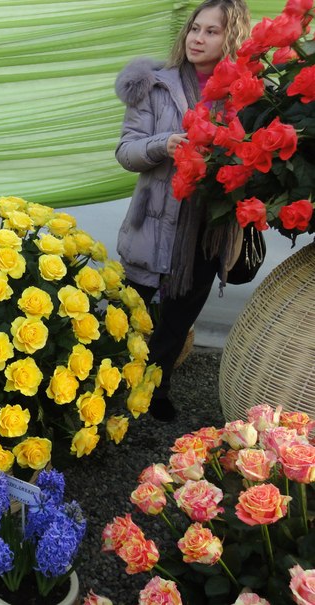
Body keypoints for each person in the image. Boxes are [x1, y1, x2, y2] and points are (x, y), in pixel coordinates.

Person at [114, 0, 250, 421]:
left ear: (232, 38)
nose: (198, 37)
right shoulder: (154, 85)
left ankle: (157, 388)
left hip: (207, 231)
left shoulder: (245, 94)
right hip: (154, 225)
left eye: (212, 31)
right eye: (195, 28)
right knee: (131, 316)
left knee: (177, 322)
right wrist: (163, 143)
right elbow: (126, 151)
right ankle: (105, 387)